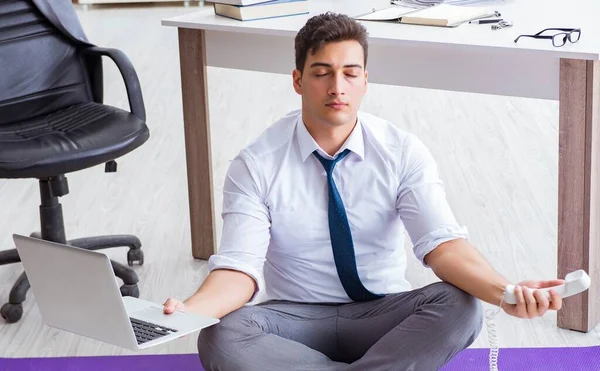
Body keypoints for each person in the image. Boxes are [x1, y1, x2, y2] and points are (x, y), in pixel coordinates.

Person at [163, 12, 565, 371]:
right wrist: (189, 311)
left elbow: (443, 245)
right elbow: (239, 270)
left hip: (384, 314)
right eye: (322, 72)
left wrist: (506, 292)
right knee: (221, 336)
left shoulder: (401, 150)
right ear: (298, 81)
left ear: (365, 81)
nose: (337, 86)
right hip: (295, 319)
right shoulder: (255, 163)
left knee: (460, 306)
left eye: (350, 73)